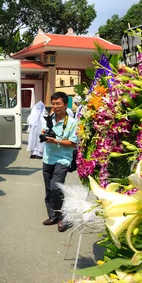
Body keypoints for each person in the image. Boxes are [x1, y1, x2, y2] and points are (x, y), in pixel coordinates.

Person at [41, 92, 78, 233]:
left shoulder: (73, 123)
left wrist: (55, 140)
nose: (55, 106)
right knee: (49, 189)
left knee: (56, 188)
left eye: (58, 104)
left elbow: (73, 143)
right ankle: (53, 216)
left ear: (65, 105)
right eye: (53, 103)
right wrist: (44, 133)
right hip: (48, 158)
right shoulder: (49, 119)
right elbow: (45, 133)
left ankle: (62, 217)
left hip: (63, 159)